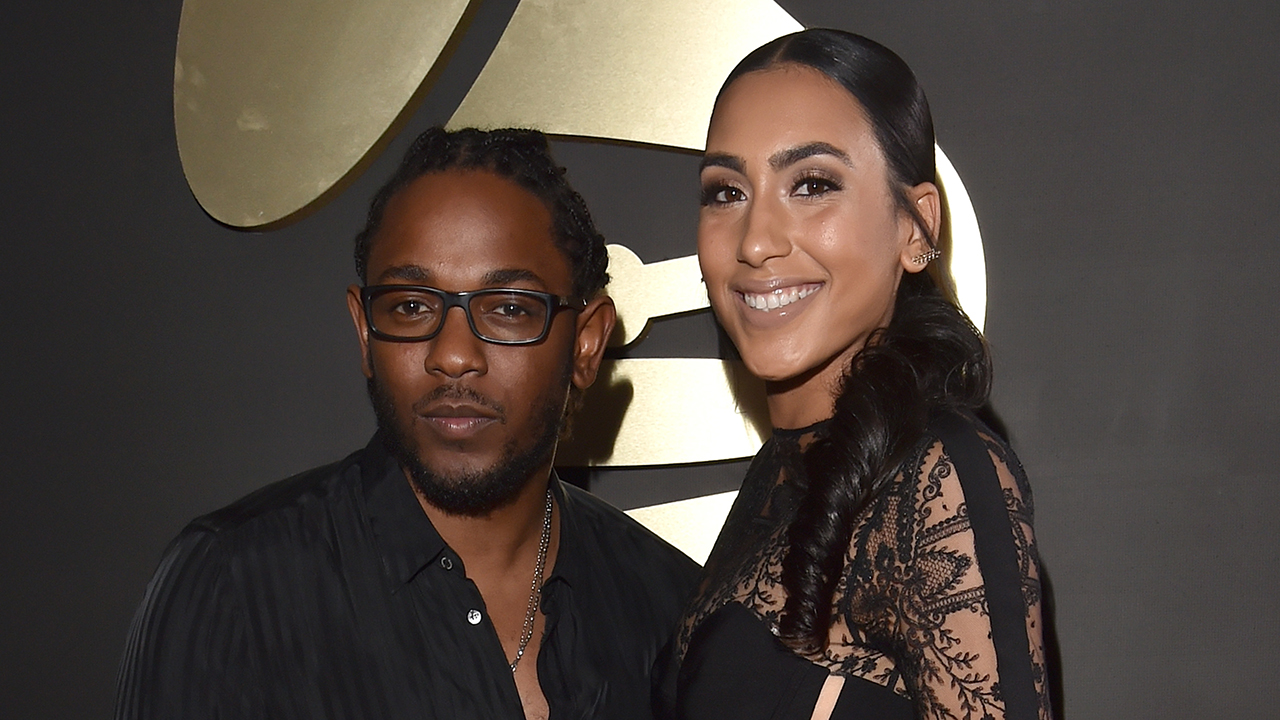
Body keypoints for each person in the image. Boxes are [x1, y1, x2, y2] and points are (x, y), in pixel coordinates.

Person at [115, 127, 699, 720]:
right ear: (365, 333)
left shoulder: (671, 607)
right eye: (411, 306)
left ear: (586, 344)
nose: (452, 355)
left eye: (507, 309)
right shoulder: (235, 584)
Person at [653, 30, 1051, 720]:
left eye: (811, 184)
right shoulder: (776, 480)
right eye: (725, 192)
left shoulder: (940, 476)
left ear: (916, 229)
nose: (754, 241)